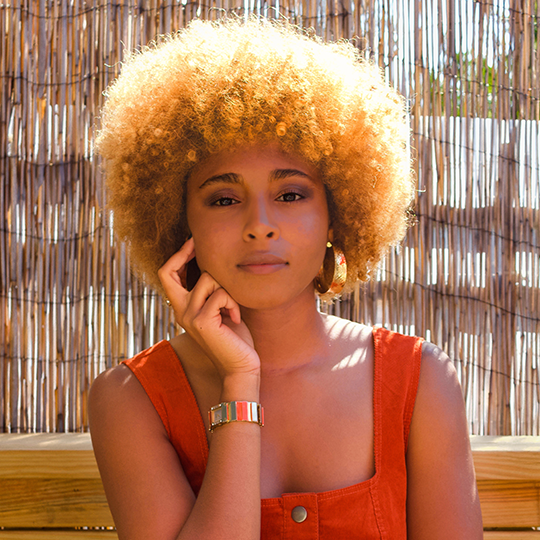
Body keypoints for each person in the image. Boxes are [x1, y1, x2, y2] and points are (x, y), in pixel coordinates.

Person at [88, 17, 483, 540]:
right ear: (181, 224)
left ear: (336, 214)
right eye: (224, 199)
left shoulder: (420, 381)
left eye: (291, 194)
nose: (259, 225)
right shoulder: (130, 398)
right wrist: (240, 380)